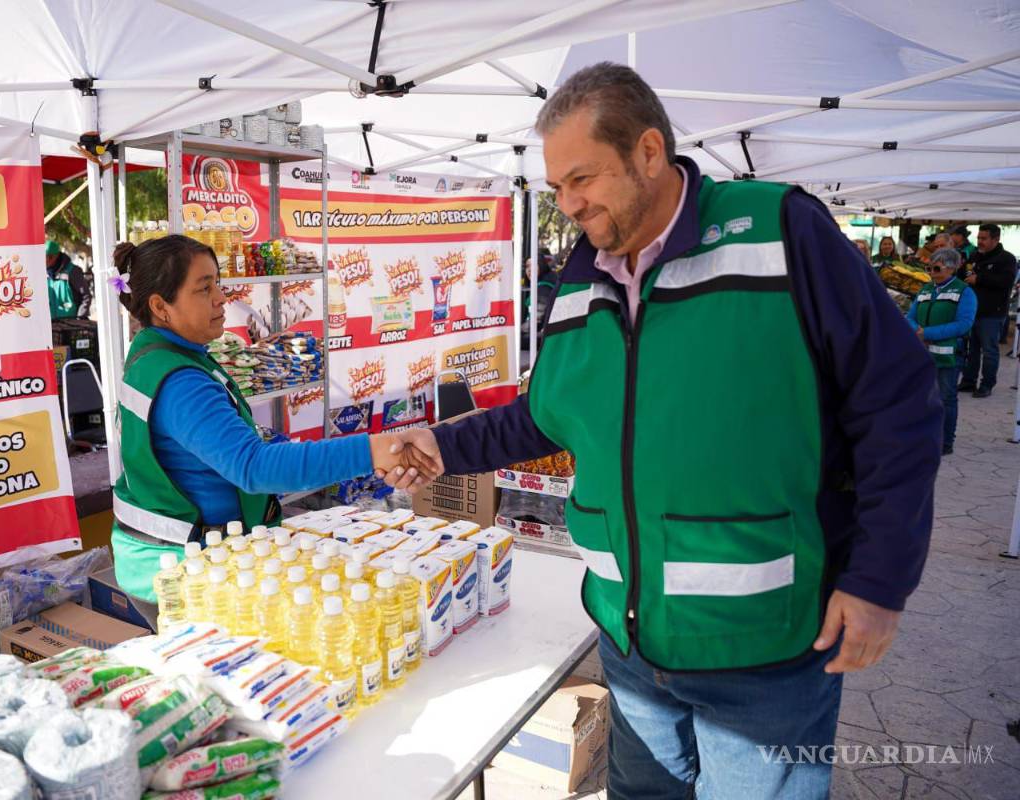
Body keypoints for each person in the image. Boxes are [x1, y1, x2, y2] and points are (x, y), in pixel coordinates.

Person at [385, 63, 941, 799]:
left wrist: (879, 582)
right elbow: (548, 414)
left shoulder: (781, 231)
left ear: (650, 152)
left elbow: (898, 402)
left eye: (581, 179)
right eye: (556, 189)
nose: (569, 204)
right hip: (627, 641)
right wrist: (444, 444)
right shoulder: (581, 277)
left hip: (763, 645)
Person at [107, 235, 433, 601]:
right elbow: (255, 468)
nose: (221, 297)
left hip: (170, 554)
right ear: (160, 306)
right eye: (204, 289)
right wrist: (372, 451)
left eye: (217, 283)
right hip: (179, 568)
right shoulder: (180, 381)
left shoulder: (157, 353)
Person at [907, 248, 977, 455]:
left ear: (952, 268)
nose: (931, 272)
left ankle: (945, 442)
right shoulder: (925, 290)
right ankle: (923, 437)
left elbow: (964, 324)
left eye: (936, 268)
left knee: (946, 398)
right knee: (922, 397)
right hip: (922, 354)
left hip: (949, 355)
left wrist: (927, 332)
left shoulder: (964, 292)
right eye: (929, 268)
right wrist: (916, 330)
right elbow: (910, 316)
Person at [959, 223, 1017, 397]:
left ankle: (987, 384)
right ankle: (969, 381)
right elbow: (963, 273)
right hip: (972, 312)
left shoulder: (1006, 259)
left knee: (989, 351)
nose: (980, 241)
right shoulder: (975, 256)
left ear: (996, 239)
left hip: (992, 313)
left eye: (984, 238)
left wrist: (980, 279)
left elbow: (1006, 282)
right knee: (972, 350)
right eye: (978, 238)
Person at [46, 240, 91, 320]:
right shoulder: (43, 274)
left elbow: (86, 296)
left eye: (50, 257)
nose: (46, 261)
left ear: (57, 255)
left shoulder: (73, 271)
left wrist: (80, 319)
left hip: (72, 326)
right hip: (52, 326)